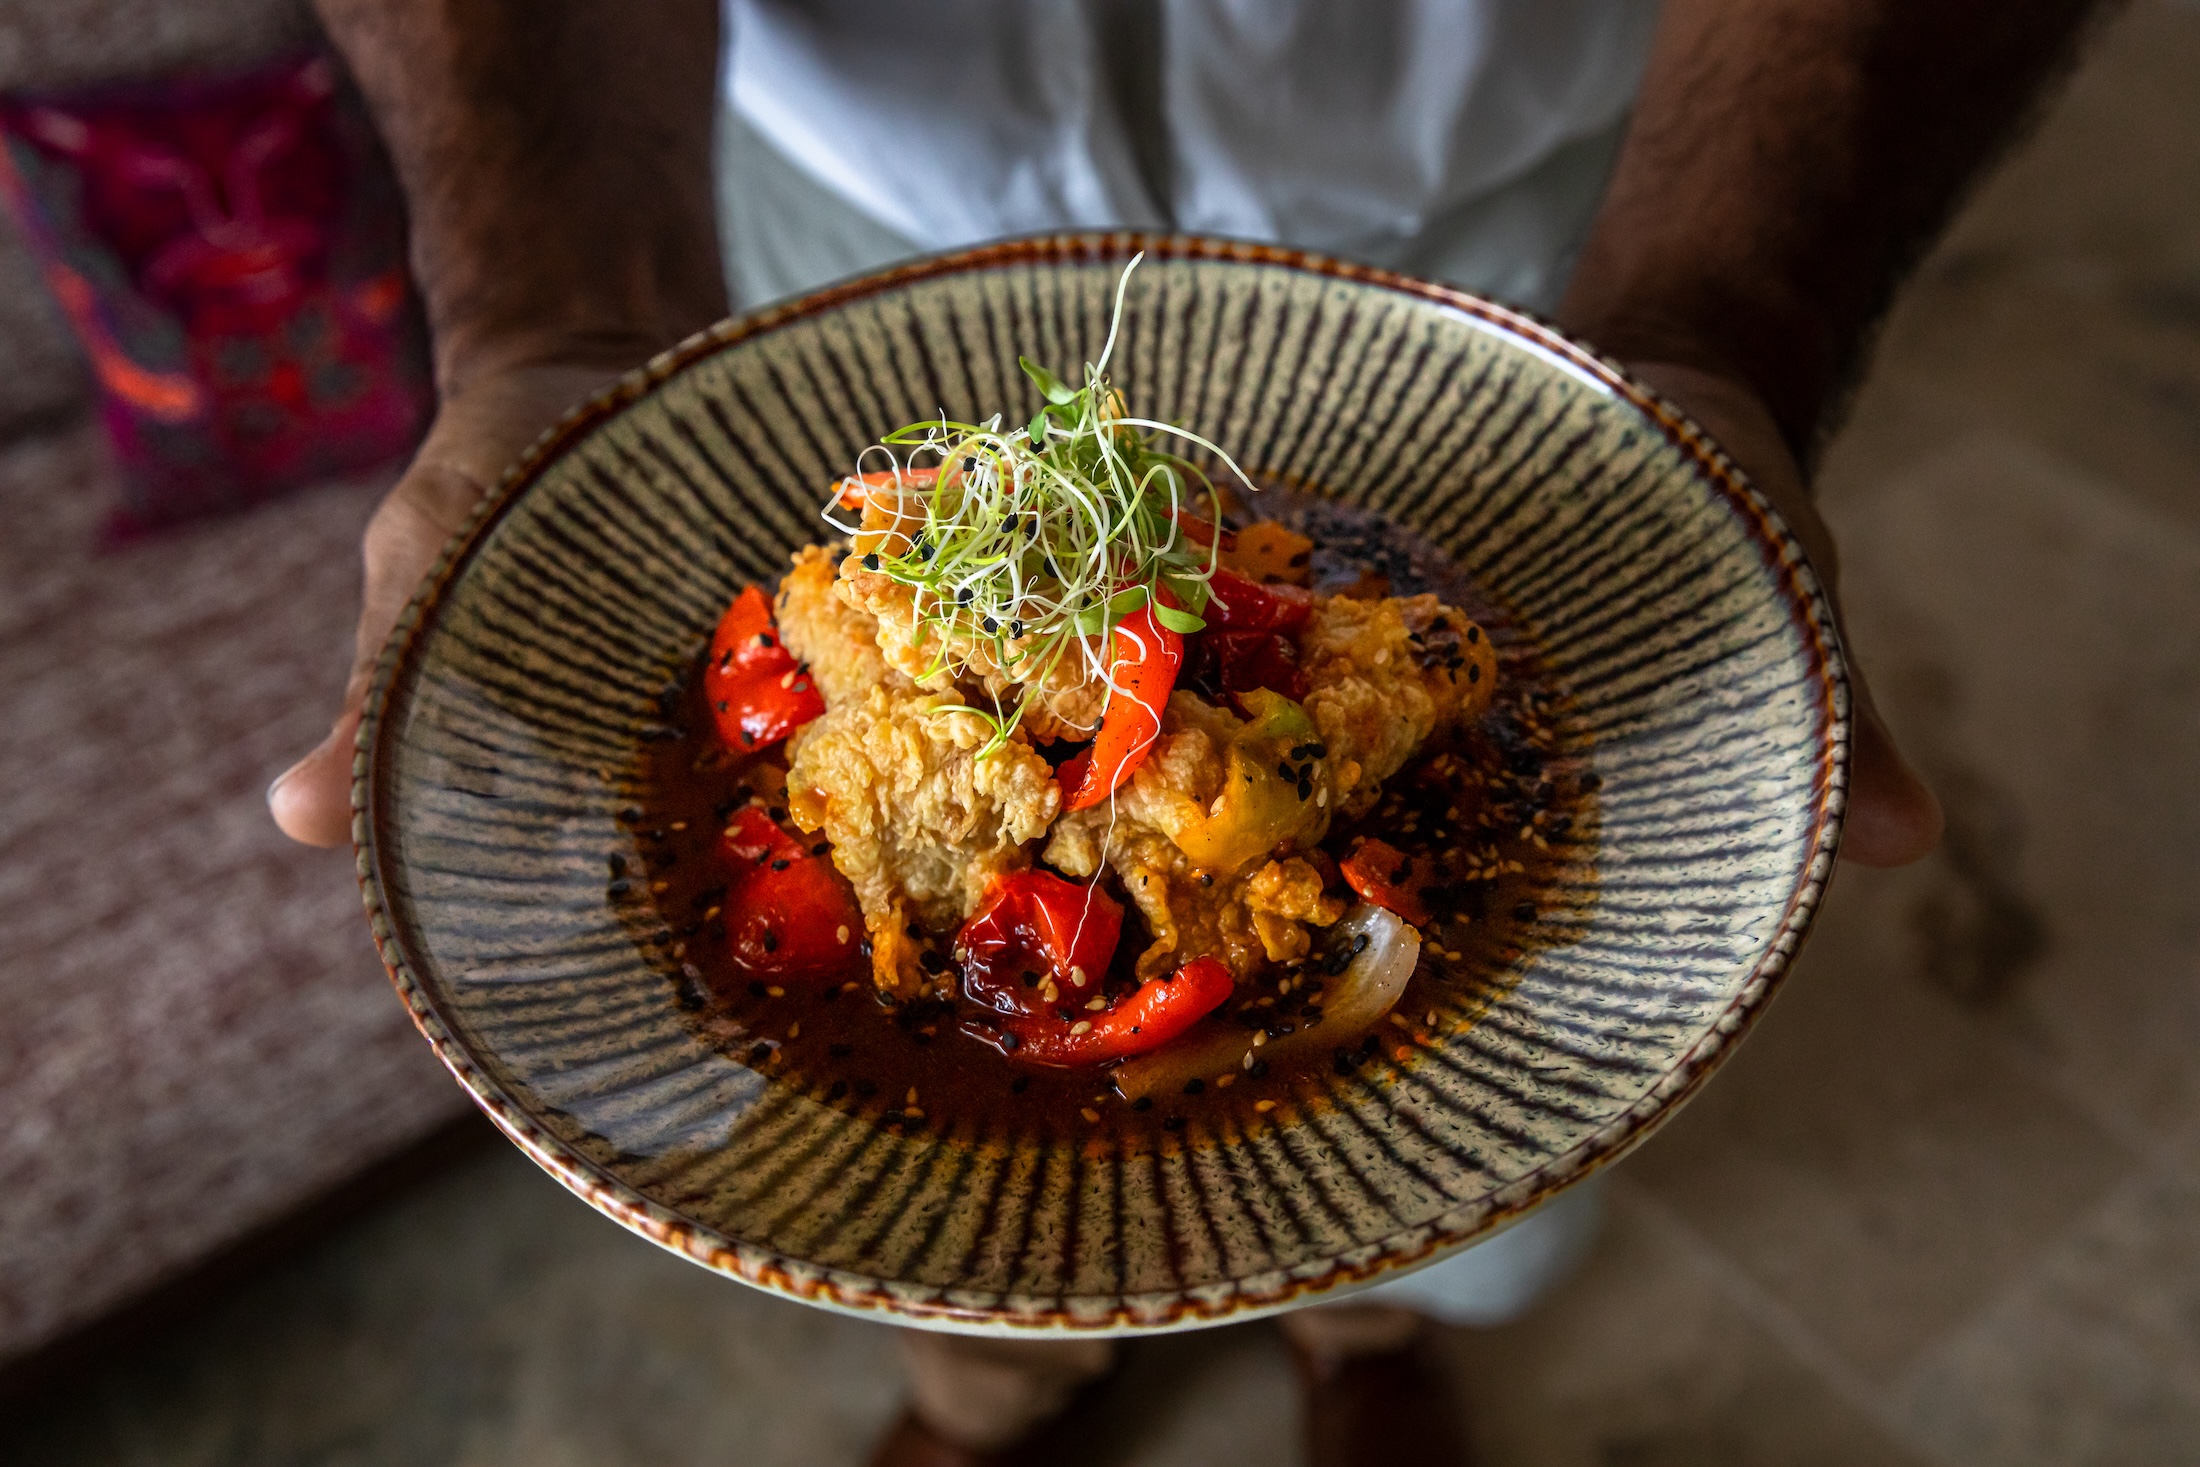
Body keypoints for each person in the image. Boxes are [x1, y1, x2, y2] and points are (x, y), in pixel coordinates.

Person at [269, 3, 2100, 1462]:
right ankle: (989, 1391)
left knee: (1455, 1145)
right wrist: (555, 319)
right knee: (931, 1235)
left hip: (1509, 221)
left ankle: (1365, 1328)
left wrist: (1723, 327)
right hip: (836, 208)